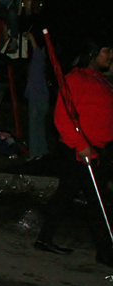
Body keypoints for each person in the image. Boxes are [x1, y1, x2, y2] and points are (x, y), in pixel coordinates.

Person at [34, 37, 113, 266]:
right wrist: (82, 146)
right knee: (99, 200)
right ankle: (106, 251)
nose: (109, 56)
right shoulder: (76, 78)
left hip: (95, 148)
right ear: (93, 53)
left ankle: (45, 238)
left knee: (66, 194)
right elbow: (62, 117)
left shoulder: (99, 79)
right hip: (82, 150)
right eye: (106, 51)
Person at [24, 30, 49, 160]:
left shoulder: (39, 59)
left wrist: (31, 36)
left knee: (34, 127)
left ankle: (34, 152)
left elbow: (36, 49)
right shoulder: (41, 63)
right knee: (40, 126)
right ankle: (41, 151)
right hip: (42, 98)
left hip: (36, 97)